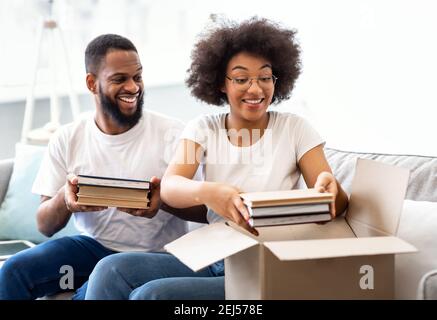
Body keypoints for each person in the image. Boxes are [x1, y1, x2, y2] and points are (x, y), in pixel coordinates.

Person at [85, 17, 349, 300]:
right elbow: (172, 186)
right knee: (110, 269)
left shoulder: (295, 128)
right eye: (241, 79)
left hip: (266, 265)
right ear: (221, 83)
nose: (256, 89)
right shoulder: (202, 128)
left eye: (264, 77)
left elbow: (336, 202)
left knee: (152, 296)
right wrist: (209, 192)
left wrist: (328, 185)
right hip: (215, 256)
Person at [0, 34, 206, 300]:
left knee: (92, 290)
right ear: (91, 83)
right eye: (120, 79)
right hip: (90, 248)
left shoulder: (176, 133)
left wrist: (162, 201)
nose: (133, 87)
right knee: (12, 271)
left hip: (156, 255)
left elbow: (205, 213)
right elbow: (44, 225)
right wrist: (66, 198)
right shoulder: (68, 137)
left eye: (138, 77)